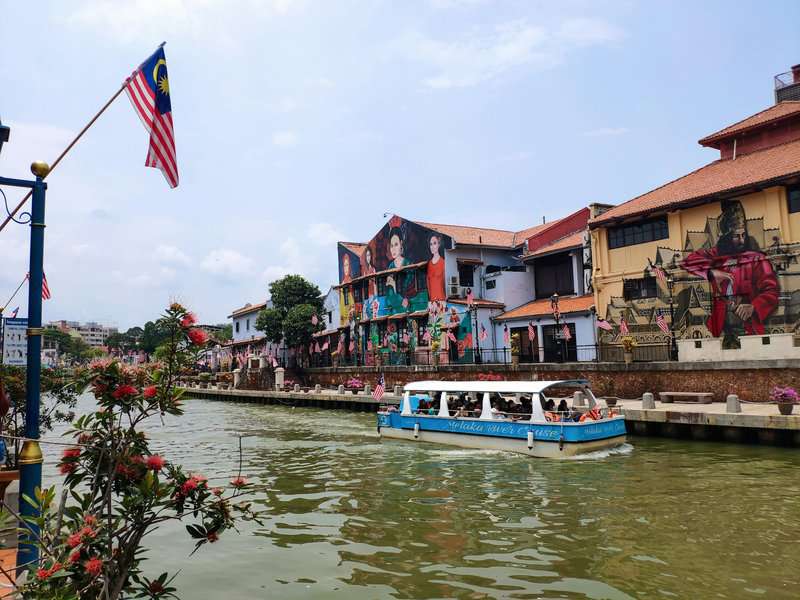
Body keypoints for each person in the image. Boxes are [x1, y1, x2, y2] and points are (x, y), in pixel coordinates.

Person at [682, 199, 779, 348]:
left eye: (743, 235)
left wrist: (754, 306)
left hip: (748, 328)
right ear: (727, 237)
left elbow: (771, 291)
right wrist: (711, 273)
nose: (741, 240)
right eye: (736, 236)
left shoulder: (757, 258)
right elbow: (688, 261)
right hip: (721, 330)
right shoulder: (716, 255)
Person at [426, 233, 446, 302]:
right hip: (432, 303)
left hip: (442, 301)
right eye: (431, 244)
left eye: (434, 243)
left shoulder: (443, 263)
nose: (432, 246)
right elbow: (428, 285)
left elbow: (444, 283)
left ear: (439, 244)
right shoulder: (429, 264)